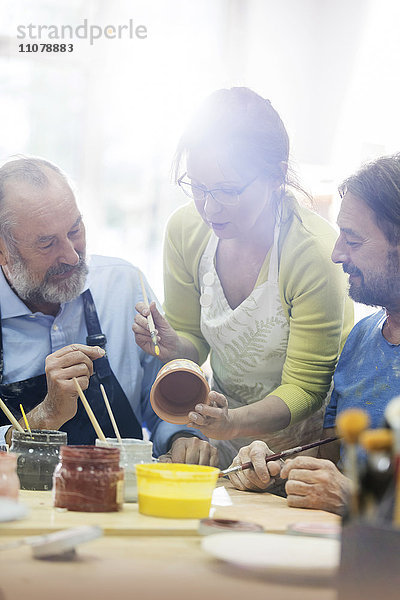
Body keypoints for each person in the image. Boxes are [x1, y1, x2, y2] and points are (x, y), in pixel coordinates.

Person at [133, 87, 353, 468]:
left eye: (228, 191)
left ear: (275, 177)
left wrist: (232, 422)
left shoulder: (313, 253)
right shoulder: (186, 229)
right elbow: (195, 343)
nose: (209, 207)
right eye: (198, 187)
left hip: (302, 446)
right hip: (226, 434)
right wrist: (173, 347)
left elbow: (306, 388)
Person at [0, 157, 216, 464]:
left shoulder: (124, 285)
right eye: (47, 243)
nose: (72, 256)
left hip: (117, 504)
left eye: (75, 230)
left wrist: (183, 438)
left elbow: (166, 403)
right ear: (3, 251)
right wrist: (45, 416)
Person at [229, 153, 400, 514]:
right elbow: (328, 465)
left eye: (353, 241)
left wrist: (356, 500)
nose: (337, 254)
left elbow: (345, 493)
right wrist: (275, 468)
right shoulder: (362, 339)